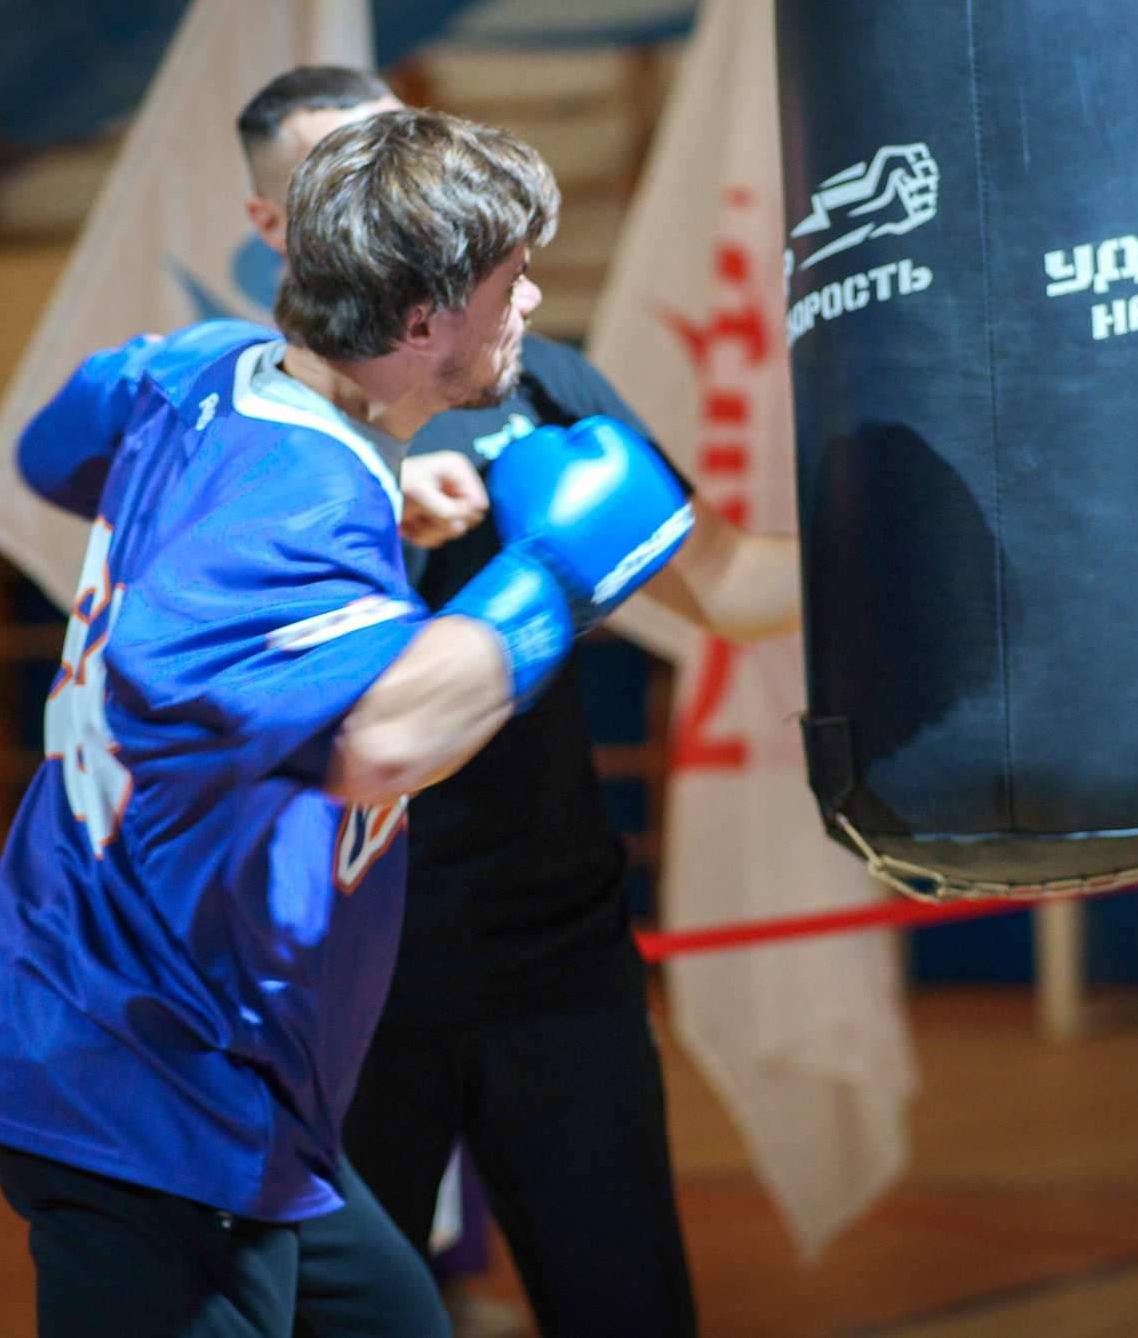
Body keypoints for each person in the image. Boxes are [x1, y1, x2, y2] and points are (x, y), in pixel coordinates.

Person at [0, 108, 695, 1338]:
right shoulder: (299, 514)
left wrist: (380, 492)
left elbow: (60, 440)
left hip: (193, 1055)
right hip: (132, 1076)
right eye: (509, 282)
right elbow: (382, 742)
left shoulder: (209, 366)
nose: (534, 300)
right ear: (421, 318)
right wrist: (550, 576)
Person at [242, 68, 801, 1338]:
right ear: (277, 225)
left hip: (551, 940)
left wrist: (904, 526)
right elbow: (348, 736)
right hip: (343, 968)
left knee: (625, 1307)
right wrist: (512, 569)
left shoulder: (536, 382)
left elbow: (720, 580)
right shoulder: (245, 434)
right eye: (343, 183)